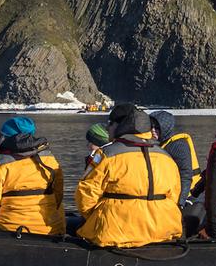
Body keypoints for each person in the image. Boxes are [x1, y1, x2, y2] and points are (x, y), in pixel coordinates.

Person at [75, 103, 183, 248]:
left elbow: (86, 195)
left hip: (116, 232)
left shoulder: (107, 155)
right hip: (162, 230)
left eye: (110, 124)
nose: (107, 128)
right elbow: (174, 195)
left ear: (120, 126)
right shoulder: (166, 157)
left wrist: (96, 218)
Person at [0, 116, 64, 235]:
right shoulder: (50, 160)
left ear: (12, 139)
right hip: (53, 230)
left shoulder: (0, 164)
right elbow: (58, 196)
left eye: (0, 137)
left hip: (12, 230)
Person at [150, 110, 202, 203]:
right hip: (169, 196)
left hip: (187, 197)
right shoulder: (158, 144)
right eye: (151, 127)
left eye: (157, 127)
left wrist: (181, 201)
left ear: (165, 128)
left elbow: (185, 175)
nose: (153, 130)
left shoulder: (178, 145)